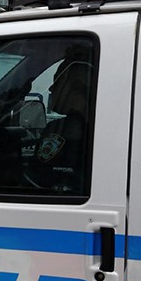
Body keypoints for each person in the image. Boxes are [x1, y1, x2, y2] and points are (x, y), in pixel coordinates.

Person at [26, 53, 93, 193]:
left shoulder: (64, 130)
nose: (51, 89)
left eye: (57, 82)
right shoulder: (94, 130)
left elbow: (38, 178)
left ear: (75, 90)